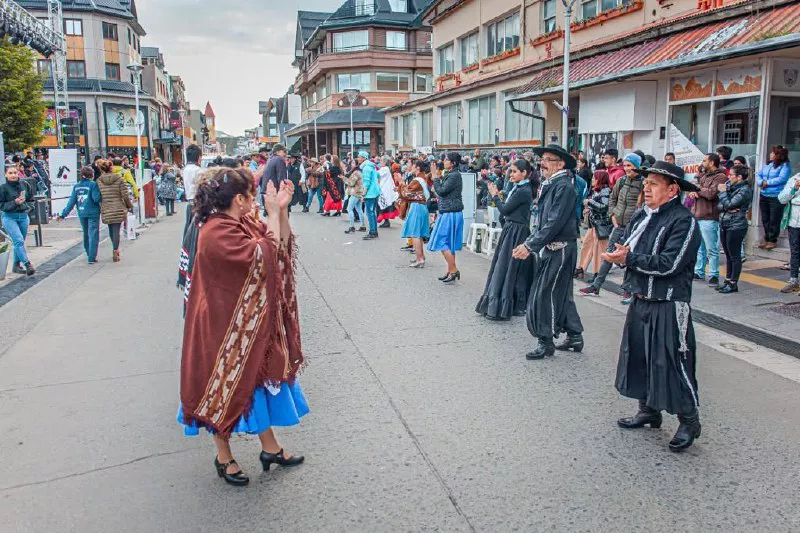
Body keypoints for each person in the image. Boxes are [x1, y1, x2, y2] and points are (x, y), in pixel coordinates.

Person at [178, 168, 307, 486]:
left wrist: (282, 211)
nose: (255, 202)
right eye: (251, 196)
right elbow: (264, 256)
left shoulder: (241, 222)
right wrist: (275, 212)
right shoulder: (215, 231)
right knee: (222, 388)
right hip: (222, 327)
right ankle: (224, 457)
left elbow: (280, 248)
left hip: (246, 322)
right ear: (239, 199)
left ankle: (270, 448)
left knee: (255, 385)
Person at [603, 161, 702, 452]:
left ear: (672, 190)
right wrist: (620, 255)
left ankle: (689, 420)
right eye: (646, 182)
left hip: (669, 303)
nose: (646, 188)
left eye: (654, 184)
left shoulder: (683, 221)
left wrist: (628, 260)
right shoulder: (642, 216)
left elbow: (670, 264)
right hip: (641, 298)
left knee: (672, 362)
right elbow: (627, 247)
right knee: (640, 356)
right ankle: (648, 409)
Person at [512, 144, 583, 359]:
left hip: (560, 247)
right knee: (561, 293)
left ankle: (545, 340)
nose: (542, 163)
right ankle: (575, 335)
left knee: (544, 293)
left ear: (560, 164)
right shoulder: (553, 183)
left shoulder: (563, 186)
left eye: (548, 159)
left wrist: (529, 245)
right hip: (555, 246)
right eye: (542, 159)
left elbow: (554, 222)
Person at [476, 159, 536, 320]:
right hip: (513, 229)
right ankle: (515, 305)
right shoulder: (519, 188)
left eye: (515, 171)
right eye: (511, 171)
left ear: (524, 173)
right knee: (512, 268)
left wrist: (495, 195)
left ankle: (504, 306)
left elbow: (504, 210)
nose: (511, 174)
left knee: (507, 268)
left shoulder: (523, 190)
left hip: (516, 231)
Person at [580, 152, 643, 298]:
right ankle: (596, 286)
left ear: (637, 166)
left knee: (630, 257)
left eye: (630, 166)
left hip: (634, 227)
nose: (627, 168)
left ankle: (628, 290)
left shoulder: (642, 183)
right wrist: (612, 216)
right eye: (625, 165)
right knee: (609, 255)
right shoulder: (621, 181)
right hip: (619, 225)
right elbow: (612, 201)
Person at [690, 153, 728, 286]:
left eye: (705, 160)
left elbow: (711, 193)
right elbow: (694, 187)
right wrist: (693, 190)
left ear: (712, 162)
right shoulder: (703, 175)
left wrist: (698, 190)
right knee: (699, 248)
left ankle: (713, 275)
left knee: (712, 248)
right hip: (697, 214)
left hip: (709, 216)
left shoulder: (721, 176)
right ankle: (699, 271)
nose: (702, 162)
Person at [428, 152, 464, 282]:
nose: (444, 161)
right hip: (448, 211)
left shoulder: (454, 175)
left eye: (447, 160)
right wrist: (437, 178)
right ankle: (450, 270)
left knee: (442, 243)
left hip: (450, 212)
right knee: (448, 243)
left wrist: (435, 178)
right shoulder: (451, 174)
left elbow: (442, 191)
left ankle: (454, 270)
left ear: (453, 163)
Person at [716, 166, 753, 294]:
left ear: (739, 177)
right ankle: (727, 280)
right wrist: (726, 203)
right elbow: (720, 206)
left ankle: (733, 283)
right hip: (725, 223)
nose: (728, 177)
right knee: (728, 255)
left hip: (736, 225)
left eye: (731, 175)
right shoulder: (730, 188)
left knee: (734, 255)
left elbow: (730, 204)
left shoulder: (745, 190)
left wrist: (722, 194)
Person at [58, 165, 102, 264]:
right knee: (93, 233)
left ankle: (88, 252)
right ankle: (92, 257)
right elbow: (96, 199)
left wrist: (63, 214)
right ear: (92, 175)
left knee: (86, 233)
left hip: (82, 212)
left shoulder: (76, 186)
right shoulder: (93, 185)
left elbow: (71, 202)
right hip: (93, 212)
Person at [575, 170, 612, 280]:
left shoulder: (605, 190)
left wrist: (589, 202)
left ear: (599, 179)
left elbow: (603, 206)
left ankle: (597, 274)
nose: (592, 180)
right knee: (586, 246)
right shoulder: (598, 190)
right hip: (594, 224)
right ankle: (581, 268)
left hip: (600, 225)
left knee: (598, 250)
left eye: (594, 178)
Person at [0, 165, 36, 275]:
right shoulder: (3, 188)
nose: (13, 175)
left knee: (19, 243)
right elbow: (1, 205)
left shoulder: (24, 184)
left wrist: (28, 207)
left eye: (15, 172)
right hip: (10, 217)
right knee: (18, 240)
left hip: (23, 217)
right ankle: (27, 264)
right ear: (5, 175)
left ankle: (16, 265)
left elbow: (31, 199)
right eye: (10, 173)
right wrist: (14, 203)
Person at [96, 158, 134, 263]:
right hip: (118, 207)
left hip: (106, 207)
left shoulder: (99, 181)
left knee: (111, 229)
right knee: (116, 230)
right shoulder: (119, 178)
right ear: (111, 167)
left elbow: (99, 196)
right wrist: (129, 205)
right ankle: (115, 249)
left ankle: (114, 247)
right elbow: (125, 195)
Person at [399, 160, 433, 268]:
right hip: (422, 207)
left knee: (415, 233)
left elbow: (406, 194)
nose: (411, 168)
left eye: (413, 166)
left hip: (416, 206)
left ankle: (420, 259)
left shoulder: (416, 181)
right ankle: (421, 256)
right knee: (418, 233)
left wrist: (401, 184)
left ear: (417, 168)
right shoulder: (423, 178)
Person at [757, 146, 791, 250]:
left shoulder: (784, 166)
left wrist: (767, 183)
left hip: (776, 196)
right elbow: (759, 174)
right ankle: (767, 237)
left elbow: (782, 179)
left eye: (773, 153)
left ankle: (772, 239)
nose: (770, 154)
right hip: (764, 195)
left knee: (774, 219)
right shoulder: (767, 165)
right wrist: (761, 182)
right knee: (765, 218)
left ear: (778, 156)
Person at [778, 171, 800, 294]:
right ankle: (793, 281)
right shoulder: (794, 179)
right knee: (795, 251)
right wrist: (794, 189)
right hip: (794, 222)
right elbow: (781, 199)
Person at [358, 151, 382, 240]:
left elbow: (366, 183)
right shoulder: (372, 166)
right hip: (375, 192)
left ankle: (372, 232)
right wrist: (376, 186)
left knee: (370, 213)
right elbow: (379, 176)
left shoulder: (366, 168)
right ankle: (374, 231)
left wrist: (363, 195)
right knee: (373, 213)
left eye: (359, 156)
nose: (358, 158)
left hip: (370, 194)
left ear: (364, 158)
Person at [377, 158, 400, 227]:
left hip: (385, 191)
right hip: (384, 190)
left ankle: (386, 221)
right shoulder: (384, 169)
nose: (380, 162)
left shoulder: (385, 169)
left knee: (384, 206)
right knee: (385, 206)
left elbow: (377, 174)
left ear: (384, 162)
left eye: (381, 161)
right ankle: (386, 221)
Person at [344, 166, 367, 234]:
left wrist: (343, 178)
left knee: (349, 209)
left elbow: (351, 183)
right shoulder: (362, 173)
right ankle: (363, 226)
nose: (352, 164)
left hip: (355, 193)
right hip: (360, 192)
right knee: (359, 210)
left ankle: (352, 227)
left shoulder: (356, 173)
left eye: (353, 163)